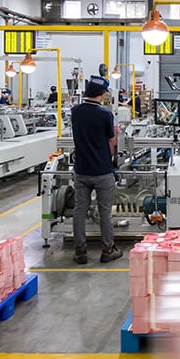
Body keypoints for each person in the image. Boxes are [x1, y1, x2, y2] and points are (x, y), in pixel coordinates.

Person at [70, 75, 122, 265]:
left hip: (81, 170)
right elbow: (111, 140)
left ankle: (80, 251)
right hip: (102, 171)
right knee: (105, 212)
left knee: (79, 211)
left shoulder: (76, 111)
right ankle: (107, 249)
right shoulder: (105, 114)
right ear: (102, 94)